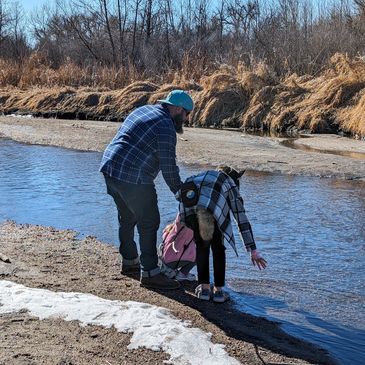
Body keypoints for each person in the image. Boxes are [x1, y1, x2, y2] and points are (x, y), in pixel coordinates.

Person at [100, 89, 194, 290]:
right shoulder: (165, 126)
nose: (186, 119)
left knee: (127, 216)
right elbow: (168, 165)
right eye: (187, 114)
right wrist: (180, 192)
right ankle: (150, 272)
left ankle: (130, 262)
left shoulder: (143, 110)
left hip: (110, 168)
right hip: (133, 176)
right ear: (177, 108)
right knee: (149, 221)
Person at [178, 166, 267, 302]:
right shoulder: (228, 182)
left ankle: (204, 290)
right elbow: (240, 216)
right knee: (218, 250)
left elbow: (183, 191)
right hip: (210, 213)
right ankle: (218, 292)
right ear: (235, 180)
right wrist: (253, 249)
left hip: (192, 211)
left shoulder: (203, 175)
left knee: (202, 248)